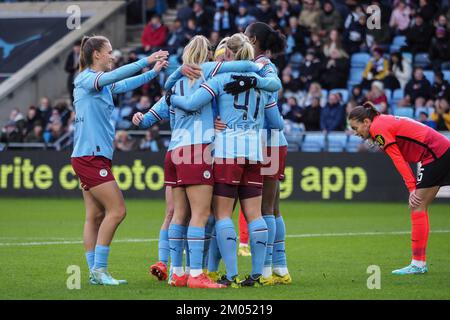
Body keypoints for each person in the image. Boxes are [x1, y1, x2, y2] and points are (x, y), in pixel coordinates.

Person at [167, 32, 283, 287]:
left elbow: (191, 102)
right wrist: (253, 80)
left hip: (228, 150)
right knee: (255, 214)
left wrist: (170, 98)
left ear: (228, 54)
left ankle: (230, 274)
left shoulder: (219, 78)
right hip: (255, 151)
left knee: (221, 215)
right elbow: (276, 88)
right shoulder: (259, 80)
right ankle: (258, 274)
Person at [71, 35, 168, 285]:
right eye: (110, 52)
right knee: (118, 210)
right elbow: (115, 77)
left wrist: (153, 71)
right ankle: (100, 270)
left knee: (95, 216)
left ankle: (94, 272)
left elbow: (127, 83)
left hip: (94, 155)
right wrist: (145, 60)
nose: (113, 56)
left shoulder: (100, 85)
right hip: (90, 156)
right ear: (96, 55)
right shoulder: (86, 79)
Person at [348, 101, 450, 275]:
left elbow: (398, 159)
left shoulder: (378, 128)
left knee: (417, 205)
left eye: (355, 128)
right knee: (419, 206)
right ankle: (418, 263)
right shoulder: (381, 121)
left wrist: (411, 188)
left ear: (366, 122)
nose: (355, 133)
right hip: (441, 150)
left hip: (434, 154)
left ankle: (418, 264)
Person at [244, 21, 292, 285]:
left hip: (268, 141)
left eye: (244, 36)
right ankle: (280, 268)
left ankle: (265, 269)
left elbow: (271, 104)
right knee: (272, 207)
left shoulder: (262, 66)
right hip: (272, 141)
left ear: (252, 41)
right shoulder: (261, 65)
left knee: (265, 208)